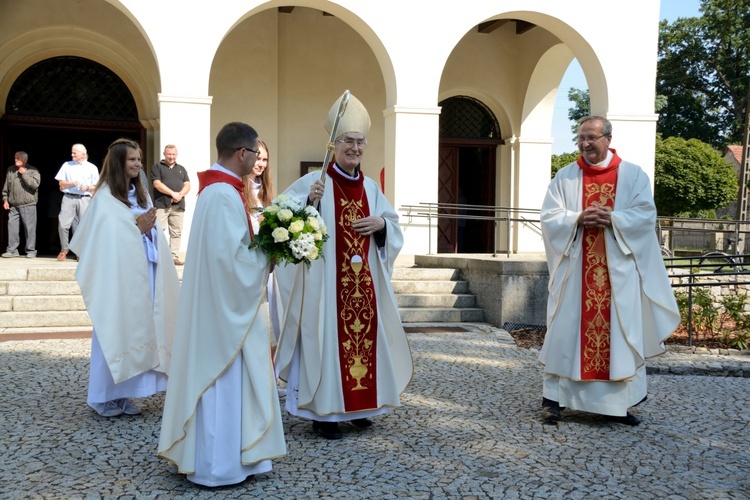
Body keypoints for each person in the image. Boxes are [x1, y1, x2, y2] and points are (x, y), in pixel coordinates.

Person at [274, 93, 413, 440]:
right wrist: (309, 203)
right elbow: (281, 220)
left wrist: (382, 225)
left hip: (363, 286)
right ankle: (326, 413)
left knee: (365, 343)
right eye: (348, 141)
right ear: (333, 145)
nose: (354, 148)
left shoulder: (370, 187)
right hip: (326, 288)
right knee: (326, 343)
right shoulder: (314, 183)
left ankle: (362, 407)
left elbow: (393, 226)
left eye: (359, 142)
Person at [158, 122, 286, 487]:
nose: (255, 163)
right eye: (253, 155)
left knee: (231, 379)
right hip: (222, 314)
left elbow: (227, 255)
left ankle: (240, 457)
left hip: (220, 308)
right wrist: (269, 257)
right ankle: (219, 465)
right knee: (222, 380)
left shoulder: (220, 191)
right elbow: (231, 264)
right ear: (242, 153)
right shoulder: (222, 195)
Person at [539, 116, 680, 426]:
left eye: (592, 138)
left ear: (608, 138)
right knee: (566, 333)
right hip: (576, 273)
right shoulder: (565, 177)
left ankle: (616, 406)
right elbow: (549, 217)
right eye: (581, 138)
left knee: (618, 335)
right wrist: (576, 219)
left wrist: (614, 219)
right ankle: (554, 401)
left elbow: (645, 217)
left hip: (618, 274)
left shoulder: (633, 176)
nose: (586, 144)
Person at [69, 138, 180, 418]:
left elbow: (146, 228)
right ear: (118, 162)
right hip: (117, 278)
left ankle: (122, 395)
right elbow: (101, 241)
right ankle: (102, 396)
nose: (137, 164)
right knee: (114, 330)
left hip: (144, 272)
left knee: (137, 329)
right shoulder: (105, 198)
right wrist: (137, 229)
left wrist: (149, 230)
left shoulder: (138, 193)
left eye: (139, 159)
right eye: (132, 159)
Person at [241, 140, 281, 355]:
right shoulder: (237, 191)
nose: (261, 164)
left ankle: (271, 379)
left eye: (265, 159)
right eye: (258, 158)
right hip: (249, 266)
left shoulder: (267, 193)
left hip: (269, 267)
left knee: (272, 321)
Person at [55, 143, 99, 261]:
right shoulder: (67, 165)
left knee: (82, 227)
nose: (72, 154)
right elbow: (61, 184)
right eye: (72, 152)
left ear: (83, 155)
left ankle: (80, 252)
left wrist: (87, 187)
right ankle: (64, 249)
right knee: (63, 224)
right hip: (69, 197)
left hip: (85, 198)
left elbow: (97, 187)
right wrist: (71, 183)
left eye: (74, 153)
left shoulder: (92, 167)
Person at [151, 144, 191, 265]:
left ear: (176, 154)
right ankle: (159, 256)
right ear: (164, 154)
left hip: (178, 205)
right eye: (169, 154)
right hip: (162, 204)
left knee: (176, 232)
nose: (171, 157)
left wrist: (179, 195)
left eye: (173, 154)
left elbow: (187, 185)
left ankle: (174, 257)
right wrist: (172, 193)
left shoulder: (181, 169)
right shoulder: (157, 167)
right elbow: (157, 184)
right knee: (159, 230)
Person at [2, 151, 40, 258]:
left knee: (29, 228)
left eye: (18, 158)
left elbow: (35, 185)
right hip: (13, 205)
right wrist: (5, 199)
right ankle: (12, 250)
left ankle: (31, 250)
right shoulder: (10, 170)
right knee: (12, 227)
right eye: (15, 158)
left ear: (25, 160)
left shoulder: (33, 170)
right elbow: (7, 186)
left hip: (28, 204)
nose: (15, 160)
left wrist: (25, 174)